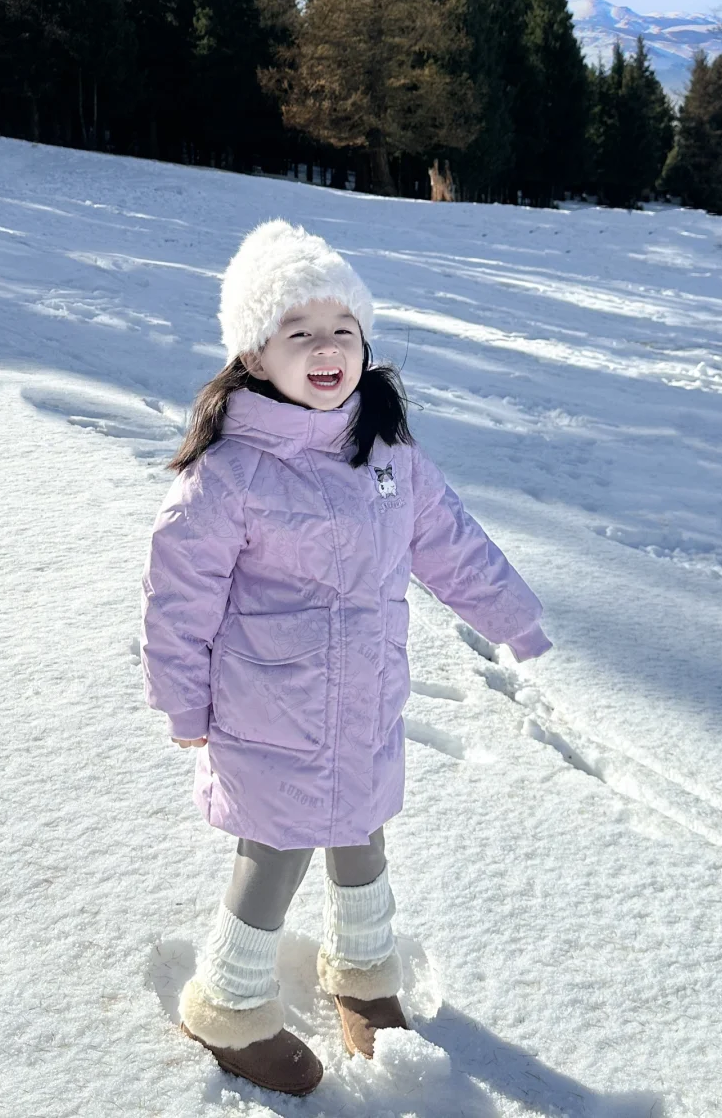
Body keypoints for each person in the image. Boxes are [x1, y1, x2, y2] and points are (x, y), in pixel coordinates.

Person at [141, 219, 550, 1096]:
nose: (326, 350)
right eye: (300, 333)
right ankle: (228, 1000)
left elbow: (450, 542)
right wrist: (182, 706)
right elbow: (177, 598)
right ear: (255, 357)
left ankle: (363, 971)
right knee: (277, 847)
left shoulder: (387, 456)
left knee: (362, 825)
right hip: (268, 711)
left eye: (343, 331)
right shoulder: (230, 474)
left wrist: (512, 616)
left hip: (364, 697)